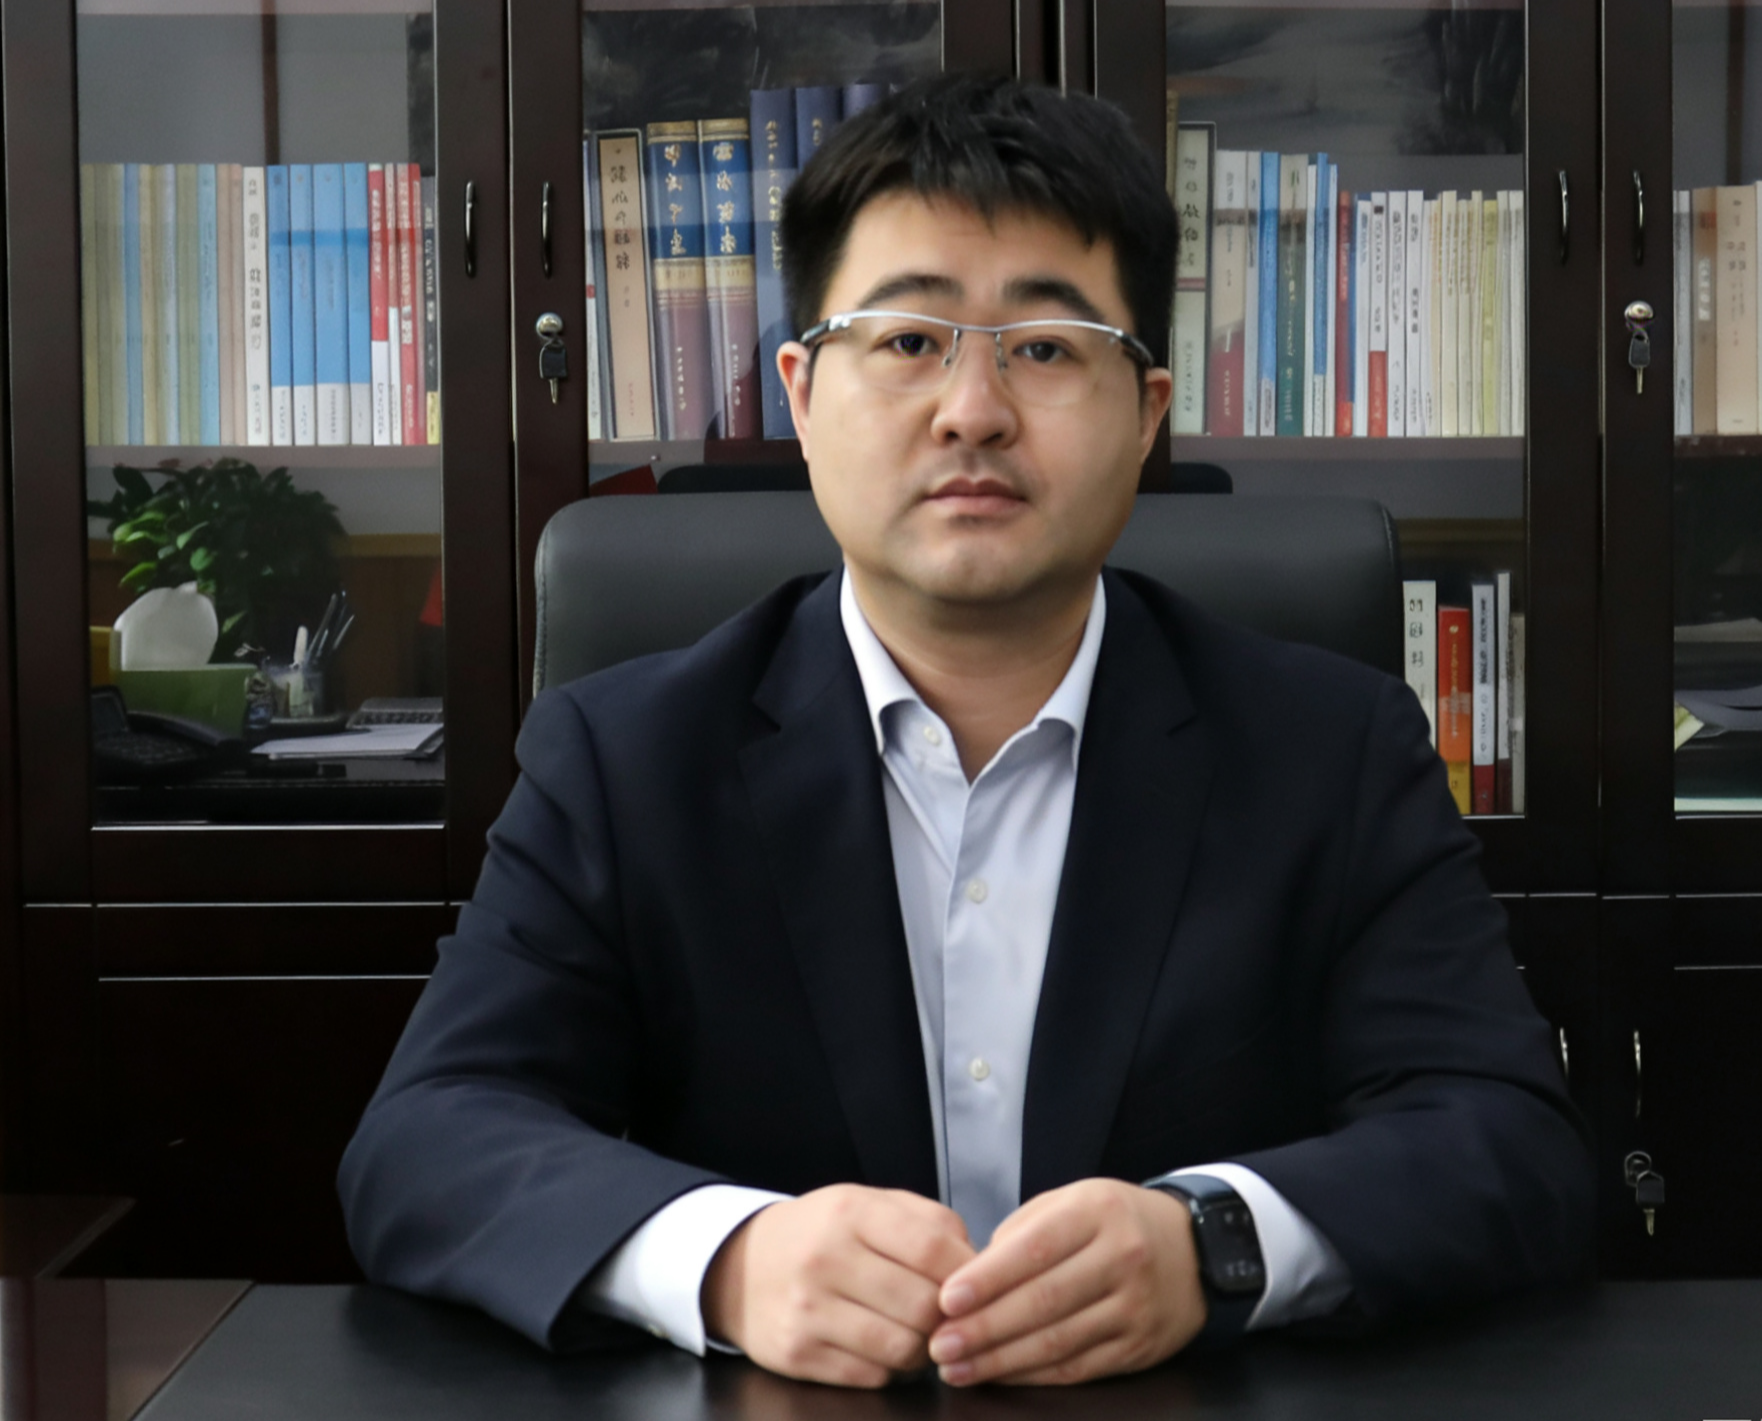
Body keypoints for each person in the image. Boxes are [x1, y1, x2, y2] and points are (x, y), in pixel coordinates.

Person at [340, 75, 1593, 1390]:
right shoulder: (622, 758)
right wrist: (729, 1258)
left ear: (1146, 413)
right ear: (801, 394)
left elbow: (1508, 1139)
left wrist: (1214, 1242)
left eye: (1045, 348)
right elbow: (428, 1139)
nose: (973, 409)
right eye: (907, 340)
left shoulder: (1328, 749)